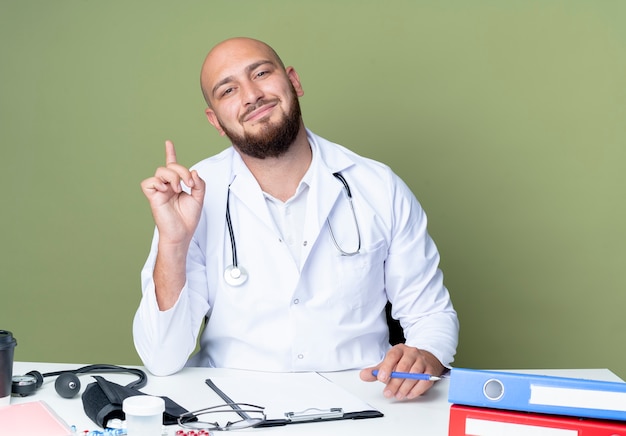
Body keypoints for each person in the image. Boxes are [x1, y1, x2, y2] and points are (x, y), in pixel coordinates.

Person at [134, 37, 459, 400]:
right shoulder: (191, 195)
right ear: (216, 121)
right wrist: (173, 244)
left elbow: (431, 314)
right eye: (228, 90)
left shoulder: (379, 186)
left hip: (363, 400)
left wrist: (426, 355)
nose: (251, 94)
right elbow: (161, 358)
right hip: (232, 405)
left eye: (261, 73)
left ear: (294, 82)